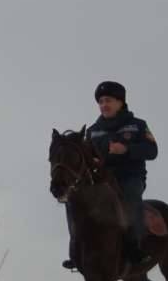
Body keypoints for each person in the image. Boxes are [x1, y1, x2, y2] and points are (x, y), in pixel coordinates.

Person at [63, 81, 158, 270]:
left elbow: (152, 150)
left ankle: (134, 249)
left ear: (121, 102)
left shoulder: (138, 125)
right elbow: (88, 159)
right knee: (72, 198)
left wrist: (126, 150)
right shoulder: (92, 131)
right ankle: (75, 251)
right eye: (101, 101)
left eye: (109, 100)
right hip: (101, 179)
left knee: (131, 195)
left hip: (130, 177)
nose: (104, 105)